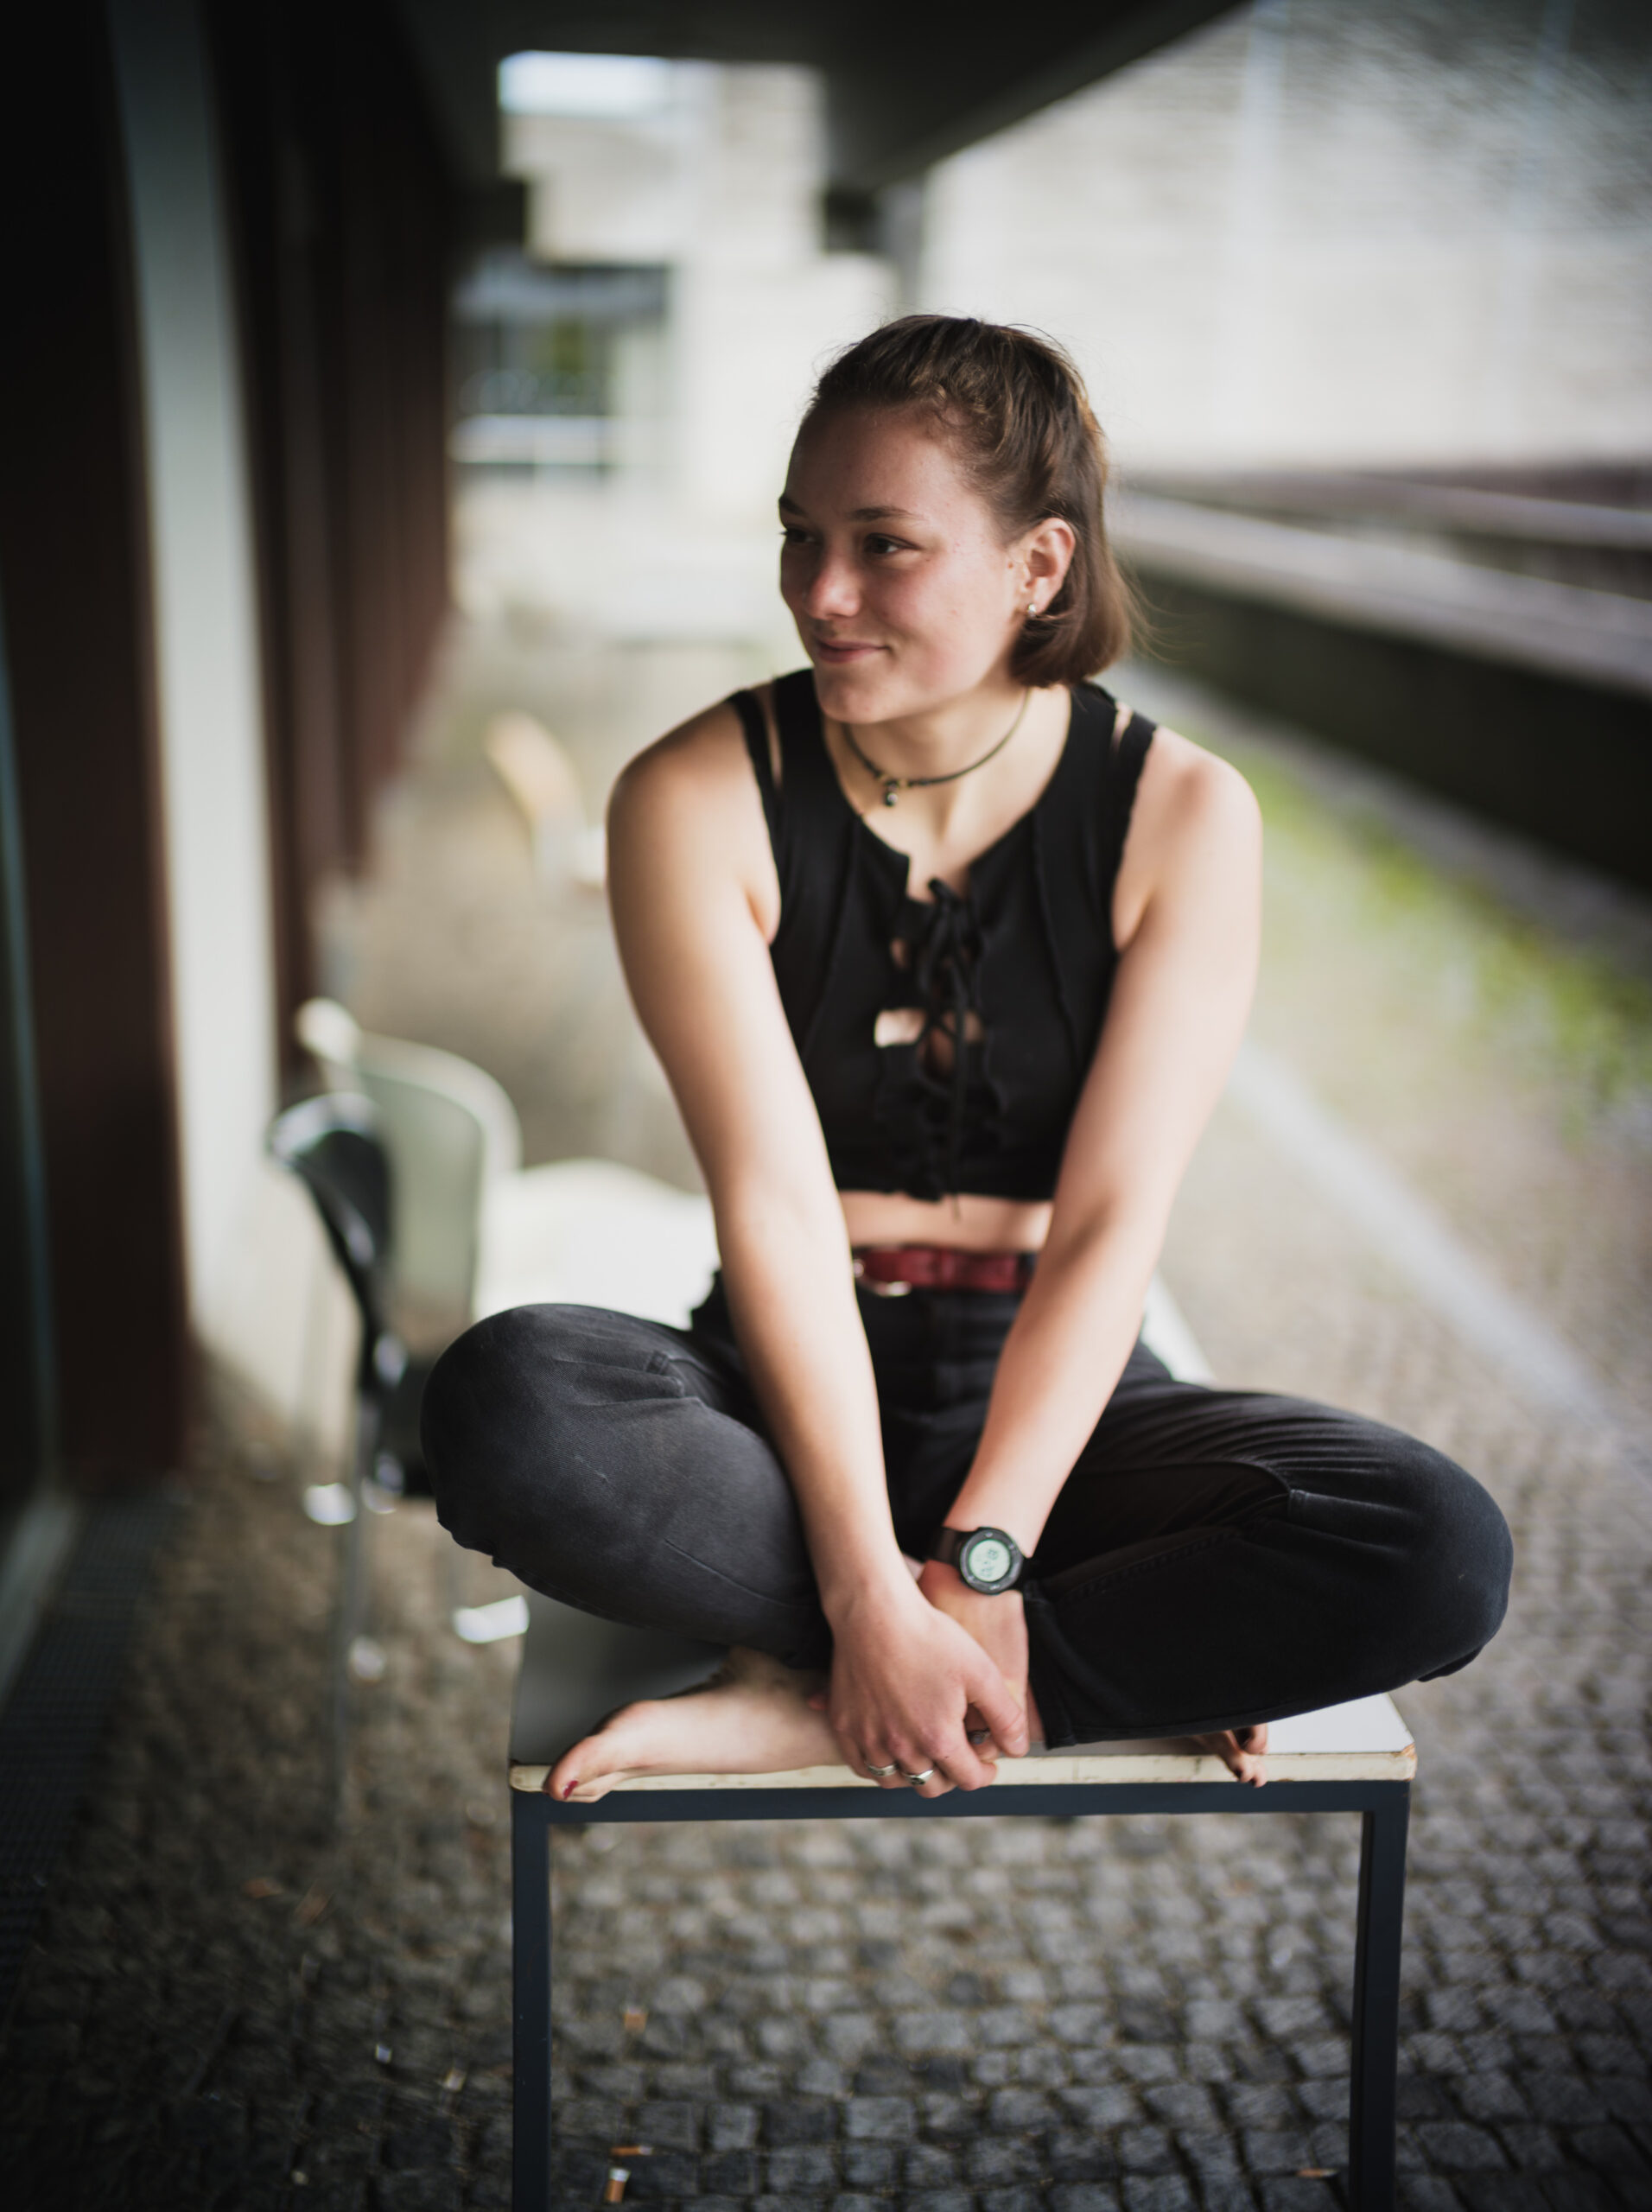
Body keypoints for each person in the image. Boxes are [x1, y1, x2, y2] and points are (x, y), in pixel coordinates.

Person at [423, 316, 1511, 1803]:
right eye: (802, 535)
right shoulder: (691, 797)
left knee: (1435, 1546)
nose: (821, 592)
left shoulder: (1184, 816)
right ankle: (947, 1657)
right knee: (508, 1404)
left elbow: (1115, 1226)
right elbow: (774, 1207)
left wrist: (984, 1560)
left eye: (886, 544)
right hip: (781, 1375)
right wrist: (871, 1584)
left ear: (1038, 567)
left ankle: (854, 1694)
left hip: (1067, 1407)